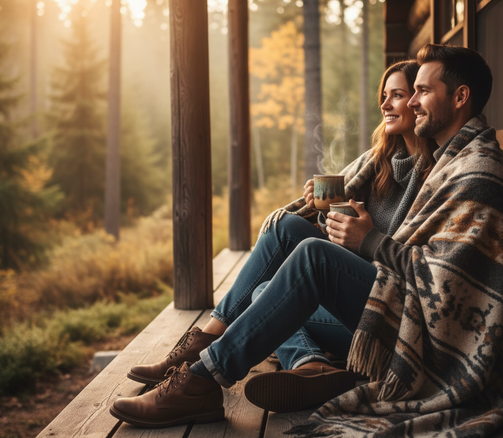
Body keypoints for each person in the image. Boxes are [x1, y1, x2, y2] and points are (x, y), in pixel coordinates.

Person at [110, 45, 503, 437]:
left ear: (460, 97)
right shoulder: (453, 159)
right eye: (408, 92)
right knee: (271, 282)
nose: (412, 101)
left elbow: (447, 286)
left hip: (422, 339)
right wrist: (327, 214)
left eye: (420, 91)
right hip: (395, 308)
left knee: (312, 257)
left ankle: (201, 379)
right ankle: (302, 366)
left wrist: (368, 242)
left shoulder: (474, 172)